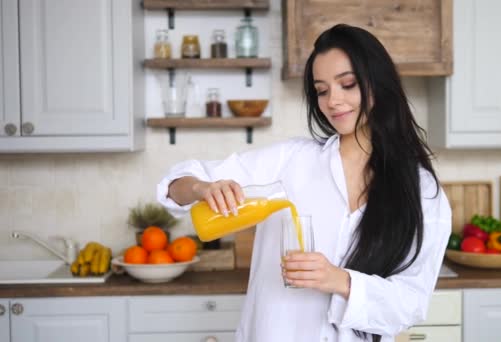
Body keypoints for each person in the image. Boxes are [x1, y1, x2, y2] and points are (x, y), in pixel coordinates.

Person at [157, 24, 451, 342]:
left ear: (377, 84)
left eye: (348, 84)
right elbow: (174, 186)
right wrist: (202, 188)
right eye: (322, 90)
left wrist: (338, 280)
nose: (333, 101)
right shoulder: (290, 161)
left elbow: (411, 303)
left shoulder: (422, 192)